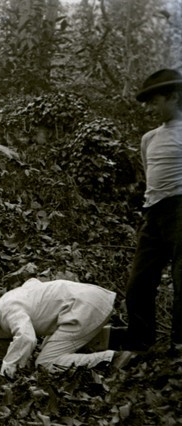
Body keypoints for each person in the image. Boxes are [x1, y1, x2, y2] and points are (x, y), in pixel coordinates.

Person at [0, 278, 132, 378]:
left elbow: (26, 338)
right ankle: (115, 337)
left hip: (84, 309)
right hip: (91, 298)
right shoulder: (7, 299)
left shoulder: (9, 313)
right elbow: (33, 282)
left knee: (45, 363)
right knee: (51, 344)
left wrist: (7, 370)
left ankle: (112, 359)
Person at [125, 68, 182, 353]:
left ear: (174, 97)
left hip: (180, 210)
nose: (150, 108)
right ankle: (140, 343)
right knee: (139, 283)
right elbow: (150, 178)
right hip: (153, 213)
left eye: (155, 101)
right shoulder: (149, 138)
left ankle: (179, 346)